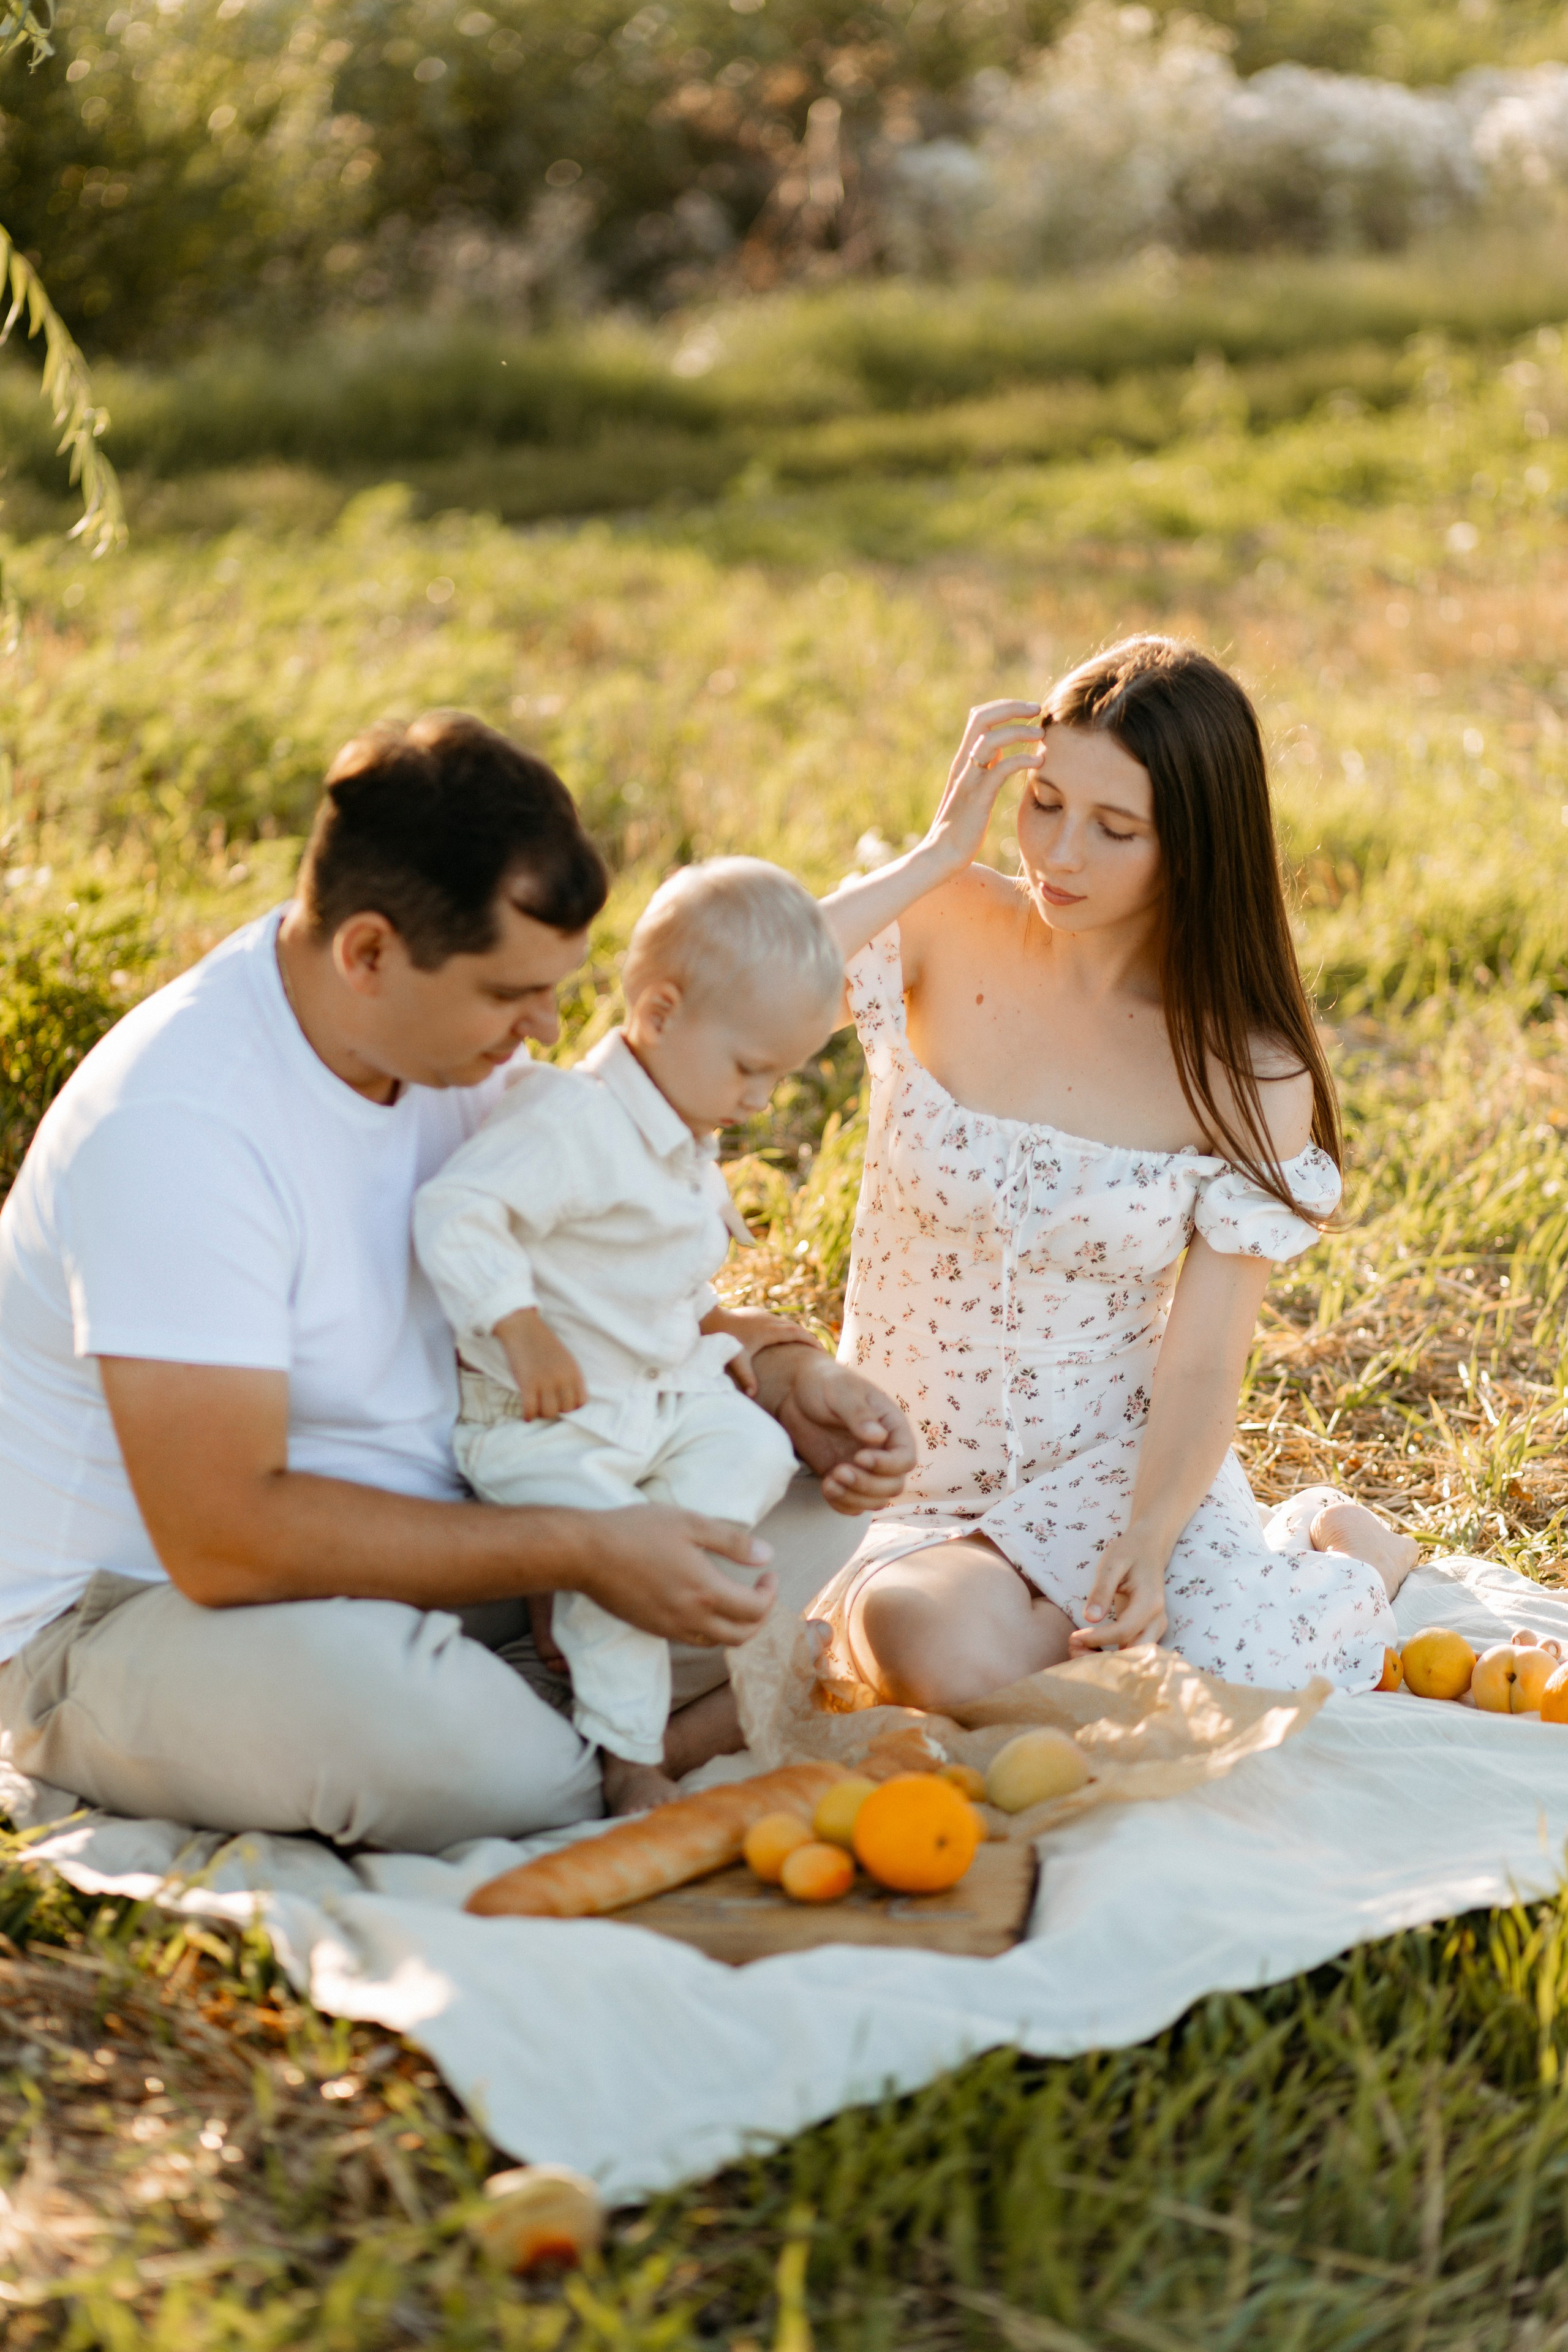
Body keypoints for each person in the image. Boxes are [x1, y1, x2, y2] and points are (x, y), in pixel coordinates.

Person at [0, 714, 911, 1852]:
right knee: (449, 1746)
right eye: (507, 995)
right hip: (140, 1613)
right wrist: (578, 1550)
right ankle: (589, 1725)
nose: (543, 1028)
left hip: (456, 1521)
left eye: (554, 990)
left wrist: (778, 1371)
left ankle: (567, 1699)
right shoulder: (181, 1128)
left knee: (803, 1515)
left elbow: (589, 1302)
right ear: (369, 953)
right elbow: (223, 1537)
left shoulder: (461, 1056)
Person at [811, 637, 1417, 1711]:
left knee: (1229, 1669)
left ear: (1193, 846)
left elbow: (1202, 1358)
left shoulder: (1240, 1063)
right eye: (1042, 802)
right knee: (893, 1629)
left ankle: (1351, 1552)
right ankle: (1035, 1622)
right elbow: (737, 988)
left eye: (1114, 828)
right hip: (887, 1457)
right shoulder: (940, 925)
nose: (1060, 853)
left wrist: (1148, 1532)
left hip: (1101, 1472)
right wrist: (932, 856)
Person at [413, 859, 845, 1809]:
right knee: (620, 1538)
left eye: (779, 1075)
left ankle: (621, 1602)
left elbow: (658, 1283)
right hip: (545, 1419)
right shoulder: (573, 1121)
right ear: (659, 1014)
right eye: (750, 1068)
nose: (763, 1100)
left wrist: (723, 1350)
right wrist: (517, 1328)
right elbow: (457, 1212)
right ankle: (629, 1753)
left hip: (651, 1396)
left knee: (753, 1448)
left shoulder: (685, 1128)